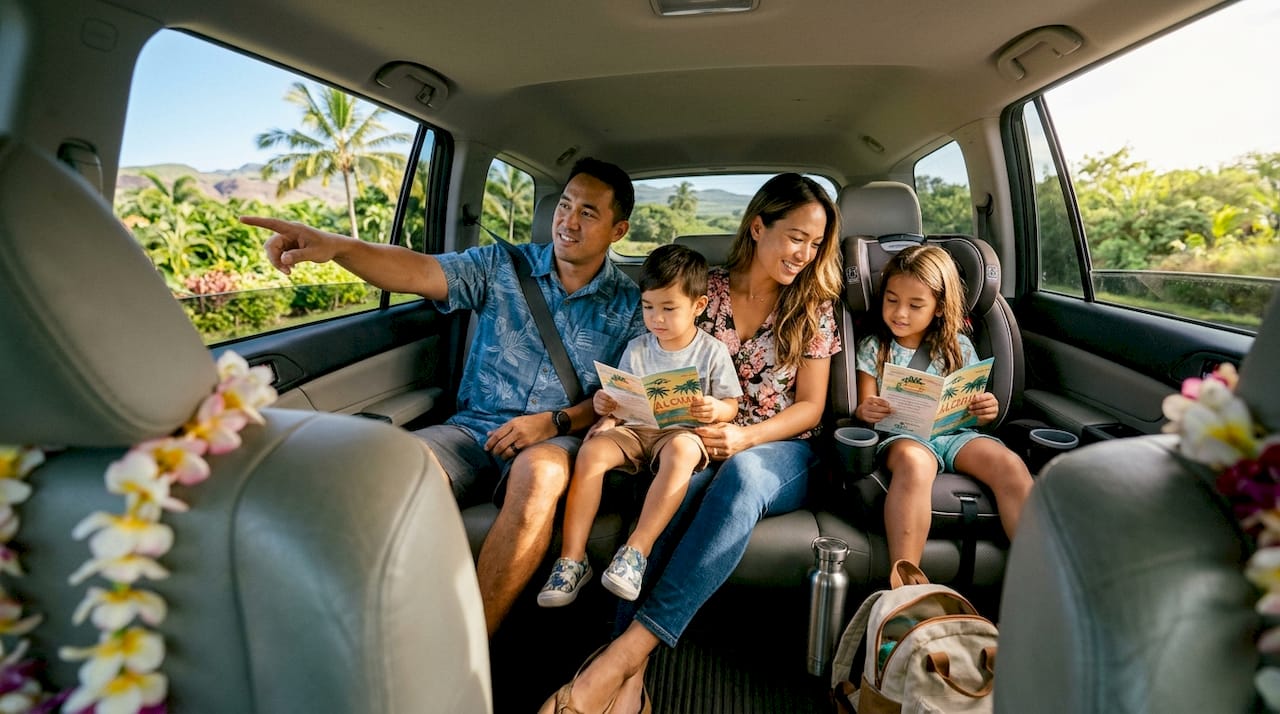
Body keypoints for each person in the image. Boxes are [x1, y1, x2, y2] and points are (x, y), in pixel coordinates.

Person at [240, 157, 646, 636]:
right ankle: (335, 630)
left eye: (588, 213)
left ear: (618, 230)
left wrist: (552, 423)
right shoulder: (502, 267)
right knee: (395, 465)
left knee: (538, 475)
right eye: (564, 205)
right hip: (472, 431)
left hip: (557, 440)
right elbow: (416, 271)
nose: (568, 221)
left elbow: (621, 400)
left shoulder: (632, 306)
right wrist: (338, 247)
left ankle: (468, 650)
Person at [539, 173, 843, 714]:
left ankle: (621, 657)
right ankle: (630, 684)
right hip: (692, 438)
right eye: (796, 236)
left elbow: (811, 409)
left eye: (816, 243)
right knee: (672, 487)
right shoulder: (704, 291)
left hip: (779, 446)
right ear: (757, 226)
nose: (805, 253)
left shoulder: (814, 305)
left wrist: (744, 435)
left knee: (742, 476)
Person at [537, 244, 742, 608]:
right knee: (593, 450)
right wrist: (607, 408)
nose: (656, 318)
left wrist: (715, 409)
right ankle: (572, 558)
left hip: (681, 432)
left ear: (698, 306)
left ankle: (636, 552)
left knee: (682, 451)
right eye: (648, 307)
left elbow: (731, 404)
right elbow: (619, 396)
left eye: (668, 308)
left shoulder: (712, 351)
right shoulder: (637, 348)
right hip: (634, 428)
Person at [853, 244, 1032, 566]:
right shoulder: (874, 347)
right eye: (891, 301)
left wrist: (985, 409)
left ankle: (1037, 569)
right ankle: (904, 577)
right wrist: (867, 410)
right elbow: (865, 405)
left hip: (956, 435)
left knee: (1010, 464)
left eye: (915, 305)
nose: (900, 313)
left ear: (938, 307)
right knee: (915, 463)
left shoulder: (959, 346)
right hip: (903, 437)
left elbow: (973, 402)